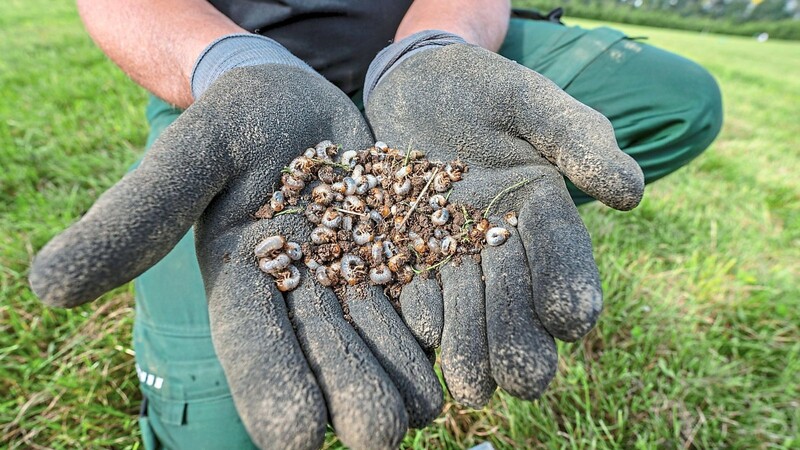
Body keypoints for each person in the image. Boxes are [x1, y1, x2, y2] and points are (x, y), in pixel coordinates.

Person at [31, 1, 722, 449]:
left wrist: (429, 46)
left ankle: (501, 195)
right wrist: (232, 61)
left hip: (431, 52)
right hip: (230, 82)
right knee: (221, 430)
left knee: (679, 99)